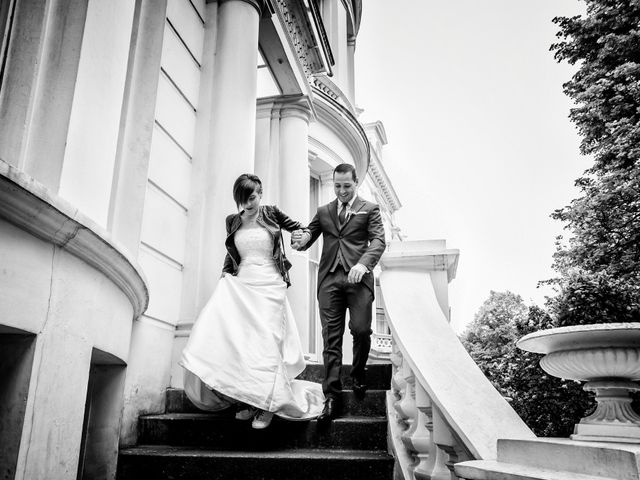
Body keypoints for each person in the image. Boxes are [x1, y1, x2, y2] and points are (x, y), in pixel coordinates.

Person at [180, 173, 324, 429]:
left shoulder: (272, 213)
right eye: (244, 198)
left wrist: (299, 239)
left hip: (270, 282)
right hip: (243, 282)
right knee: (243, 343)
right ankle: (248, 400)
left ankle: (266, 406)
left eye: (254, 196)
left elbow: (302, 229)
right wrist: (225, 273)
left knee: (267, 341)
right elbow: (232, 253)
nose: (250, 202)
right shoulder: (232, 221)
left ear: (261, 192)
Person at [292, 163, 386, 425]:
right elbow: (308, 236)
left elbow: (378, 241)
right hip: (330, 280)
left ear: (356, 183)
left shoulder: (370, 209)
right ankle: (331, 397)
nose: (342, 191)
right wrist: (299, 240)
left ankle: (358, 373)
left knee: (361, 330)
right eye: (337, 186)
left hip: (358, 279)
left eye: (347, 186)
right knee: (330, 339)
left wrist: (363, 264)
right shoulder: (324, 211)